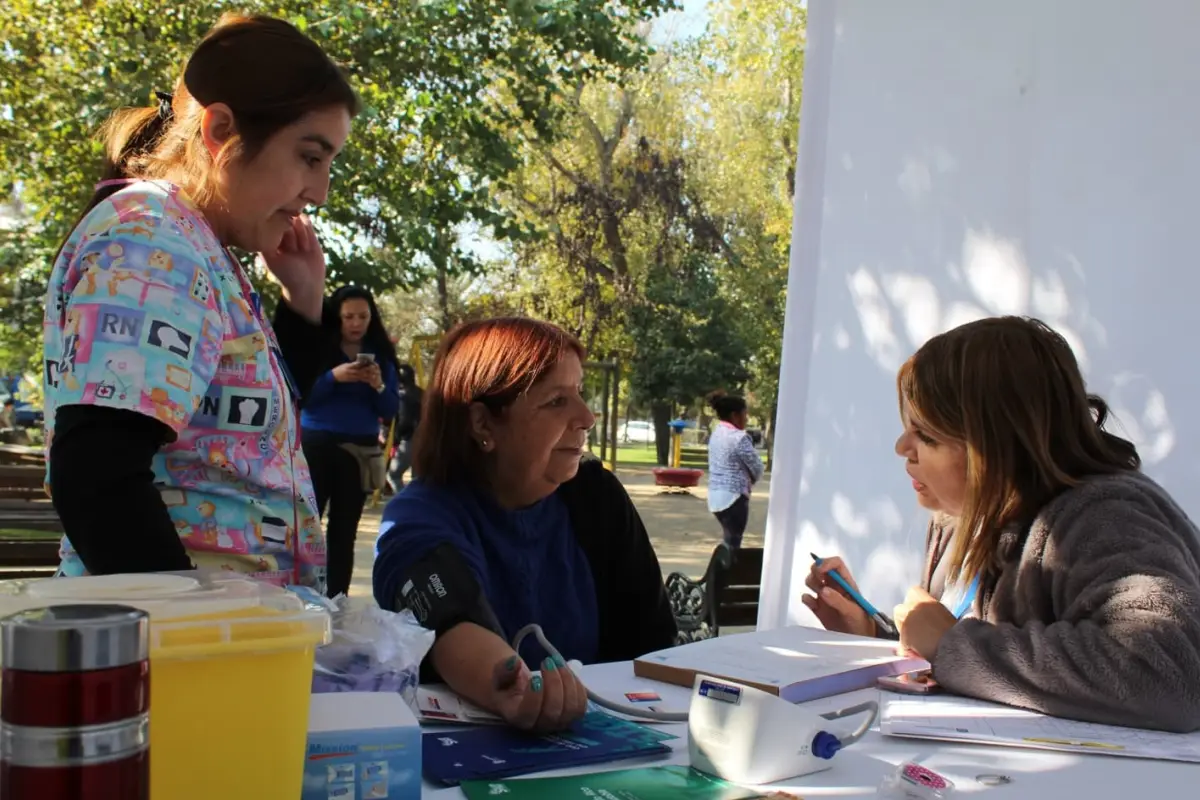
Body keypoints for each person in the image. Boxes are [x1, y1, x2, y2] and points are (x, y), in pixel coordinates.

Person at [41, 13, 358, 586]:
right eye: (310, 157)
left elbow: (250, 435)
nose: (321, 192)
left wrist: (304, 300)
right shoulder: (152, 240)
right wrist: (193, 624)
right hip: (170, 635)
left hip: (221, 628)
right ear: (221, 132)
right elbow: (97, 478)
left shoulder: (194, 245)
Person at [802, 316, 1200, 733]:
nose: (903, 447)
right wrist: (874, 634)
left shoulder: (1106, 515)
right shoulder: (959, 519)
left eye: (927, 436)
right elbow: (971, 665)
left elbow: (1169, 673)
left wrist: (949, 645)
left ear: (996, 443)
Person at [373, 317, 677, 732]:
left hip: (624, 739)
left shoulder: (596, 496)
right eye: (556, 401)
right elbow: (447, 618)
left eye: (580, 393)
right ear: (483, 424)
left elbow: (653, 643)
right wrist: (509, 686)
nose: (586, 417)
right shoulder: (419, 515)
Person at [285, 285, 400, 598]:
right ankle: (299, 597)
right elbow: (301, 397)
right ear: (336, 317)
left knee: (344, 532)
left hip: (360, 450)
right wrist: (333, 377)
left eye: (363, 316)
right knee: (306, 528)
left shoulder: (381, 356)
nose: (356, 323)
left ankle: (337, 602)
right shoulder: (318, 350)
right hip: (317, 445)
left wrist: (378, 385)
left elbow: (390, 410)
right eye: (349, 316)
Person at [706, 391, 764, 550]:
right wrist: (751, 478)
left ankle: (725, 564)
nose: (746, 418)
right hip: (733, 497)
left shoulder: (717, 433)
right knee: (733, 543)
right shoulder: (739, 437)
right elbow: (757, 467)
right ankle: (729, 566)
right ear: (735, 415)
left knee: (729, 539)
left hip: (715, 496)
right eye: (745, 414)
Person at [386, 363, 423, 492]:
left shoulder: (403, 396)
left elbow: (405, 421)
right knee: (417, 479)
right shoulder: (422, 393)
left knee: (393, 475)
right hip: (426, 438)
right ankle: (417, 501)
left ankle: (404, 500)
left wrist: (396, 438)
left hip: (409, 439)